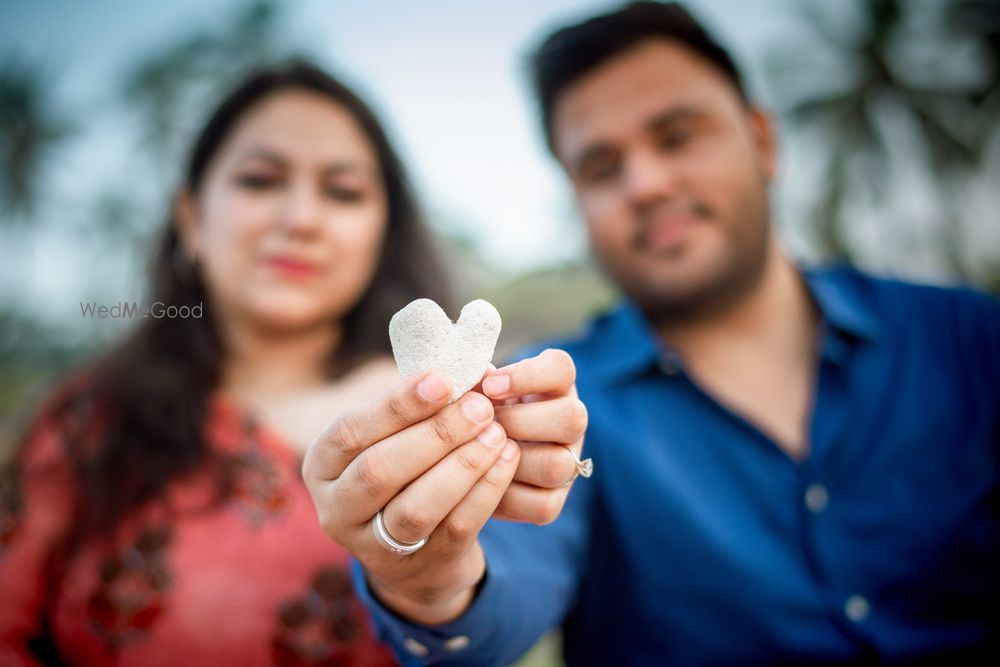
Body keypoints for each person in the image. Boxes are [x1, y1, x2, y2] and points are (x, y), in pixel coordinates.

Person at [303, 3, 1000, 665]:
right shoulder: (549, 403)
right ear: (577, 199)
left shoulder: (971, 340)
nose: (645, 183)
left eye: (677, 136)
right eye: (602, 167)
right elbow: (502, 587)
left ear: (761, 139)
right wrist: (425, 574)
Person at [0, 60, 583, 667]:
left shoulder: (462, 416)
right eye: (259, 180)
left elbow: (507, 617)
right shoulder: (88, 421)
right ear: (191, 219)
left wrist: (434, 584)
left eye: (343, 191)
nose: (300, 219)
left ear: (381, 233)